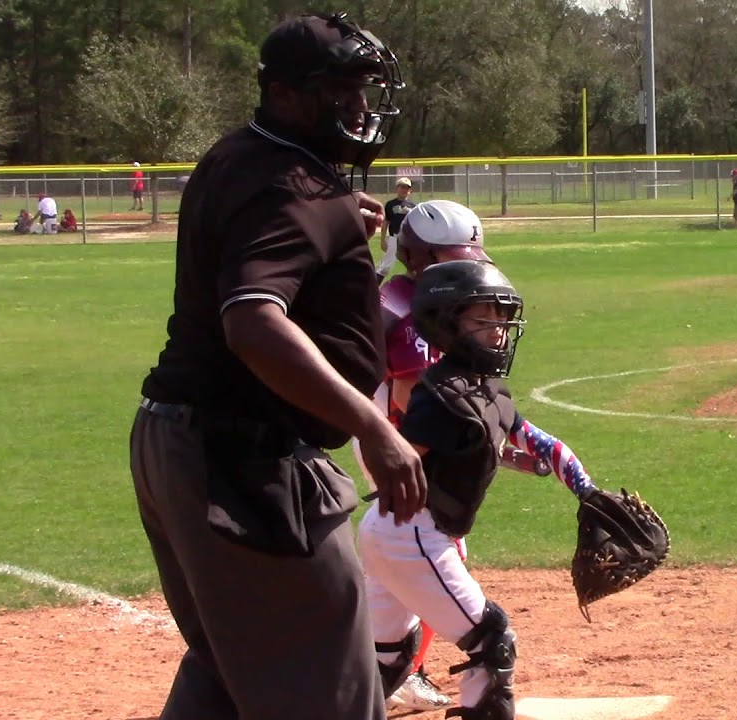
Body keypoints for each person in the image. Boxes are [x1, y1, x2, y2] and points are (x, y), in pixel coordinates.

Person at [128, 13, 419, 720]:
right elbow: (253, 323)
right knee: (329, 689)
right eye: (340, 89)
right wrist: (373, 430)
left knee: (232, 672)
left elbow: (266, 230)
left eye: (364, 88)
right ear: (284, 93)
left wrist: (335, 219)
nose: (358, 106)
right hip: (244, 463)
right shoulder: (294, 187)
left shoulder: (239, 157)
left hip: (183, 444)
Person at [357, 259, 598, 720]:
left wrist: (588, 492)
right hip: (412, 533)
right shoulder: (440, 394)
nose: (499, 330)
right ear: (447, 323)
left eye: (503, 318)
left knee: (386, 658)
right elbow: (403, 455)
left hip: (394, 533)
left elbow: (538, 442)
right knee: (492, 640)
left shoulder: (487, 390)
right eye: (483, 318)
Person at [355, 198, 491, 712]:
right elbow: (416, 393)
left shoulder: (432, 301)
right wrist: (481, 425)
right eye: (452, 257)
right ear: (418, 257)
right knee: (437, 553)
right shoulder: (406, 307)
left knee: (401, 562)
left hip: (408, 438)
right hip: (398, 442)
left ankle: (382, 664)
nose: (466, 265)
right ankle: (401, 670)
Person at [377, 176, 416, 280]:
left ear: (410, 191)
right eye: (402, 187)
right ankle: (373, 288)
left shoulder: (413, 206)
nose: (404, 190)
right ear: (397, 188)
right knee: (385, 266)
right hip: (394, 238)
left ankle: (413, 288)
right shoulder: (390, 204)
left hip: (409, 239)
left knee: (414, 265)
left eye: (407, 188)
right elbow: (386, 222)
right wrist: (383, 240)